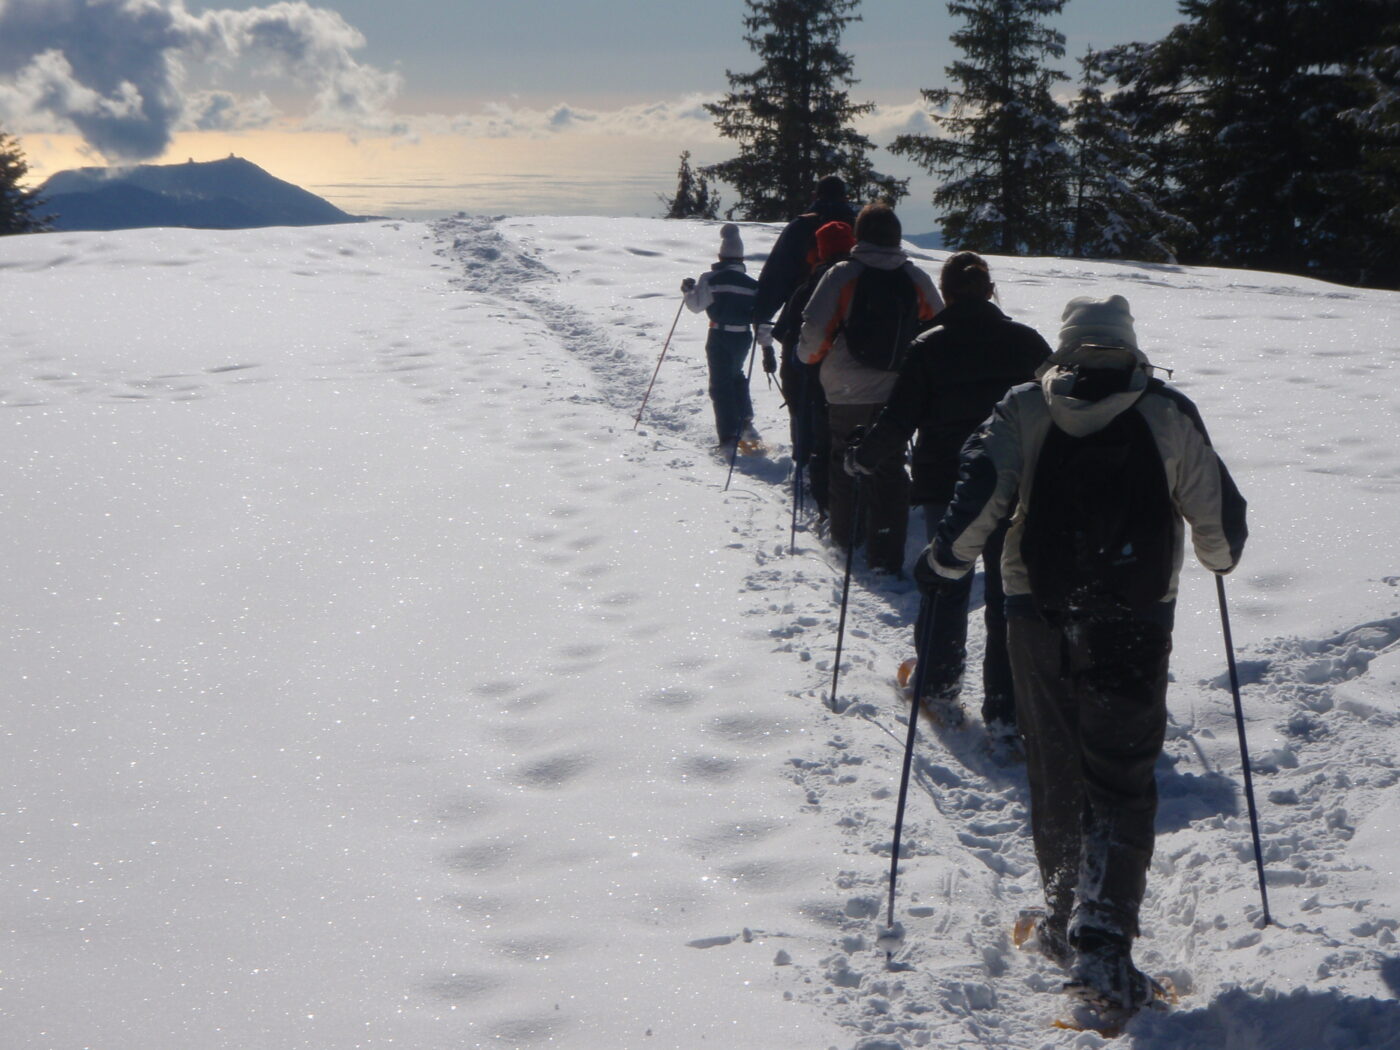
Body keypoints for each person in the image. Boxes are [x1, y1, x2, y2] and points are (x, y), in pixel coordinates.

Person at [917, 295, 1247, 1012]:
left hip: (1036, 610)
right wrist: (1216, 558)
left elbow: (980, 495)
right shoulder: (1164, 410)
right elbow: (1216, 520)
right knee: (1123, 776)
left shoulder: (1024, 407)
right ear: (1128, 345)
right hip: (1135, 616)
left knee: (1055, 762)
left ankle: (1068, 917)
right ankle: (1104, 939)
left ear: (1065, 346)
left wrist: (946, 563)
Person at [848, 253, 1051, 735]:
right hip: (1016, 483)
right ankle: (1007, 706)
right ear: (989, 289)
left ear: (946, 291)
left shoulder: (928, 345)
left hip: (947, 480)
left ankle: (938, 685)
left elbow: (899, 419)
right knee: (1008, 593)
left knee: (946, 579)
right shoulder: (1027, 343)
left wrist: (863, 456)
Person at [797, 202, 942, 574]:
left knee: (844, 460)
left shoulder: (844, 275)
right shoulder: (915, 276)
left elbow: (814, 331)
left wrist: (811, 360)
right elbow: (940, 326)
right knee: (889, 465)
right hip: (899, 389)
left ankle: (846, 542)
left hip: (846, 387)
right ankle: (887, 550)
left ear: (859, 236)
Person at [767, 219, 856, 518]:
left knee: (816, 436)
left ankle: (819, 496)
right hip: (864, 376)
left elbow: (788, 332)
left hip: (814, 373)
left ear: (820, 250)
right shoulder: (867, 278)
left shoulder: (815, 282)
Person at [682, 223, 762, 453]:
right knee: (736, 375)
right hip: (743, 336)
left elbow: (697, 306)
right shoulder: (752, 284)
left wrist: (688, 290)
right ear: (741, 257)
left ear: (721, 255)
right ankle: (745, 421)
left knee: (720, 385)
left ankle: (728, 437)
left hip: (718, 334)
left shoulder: (710, 278)